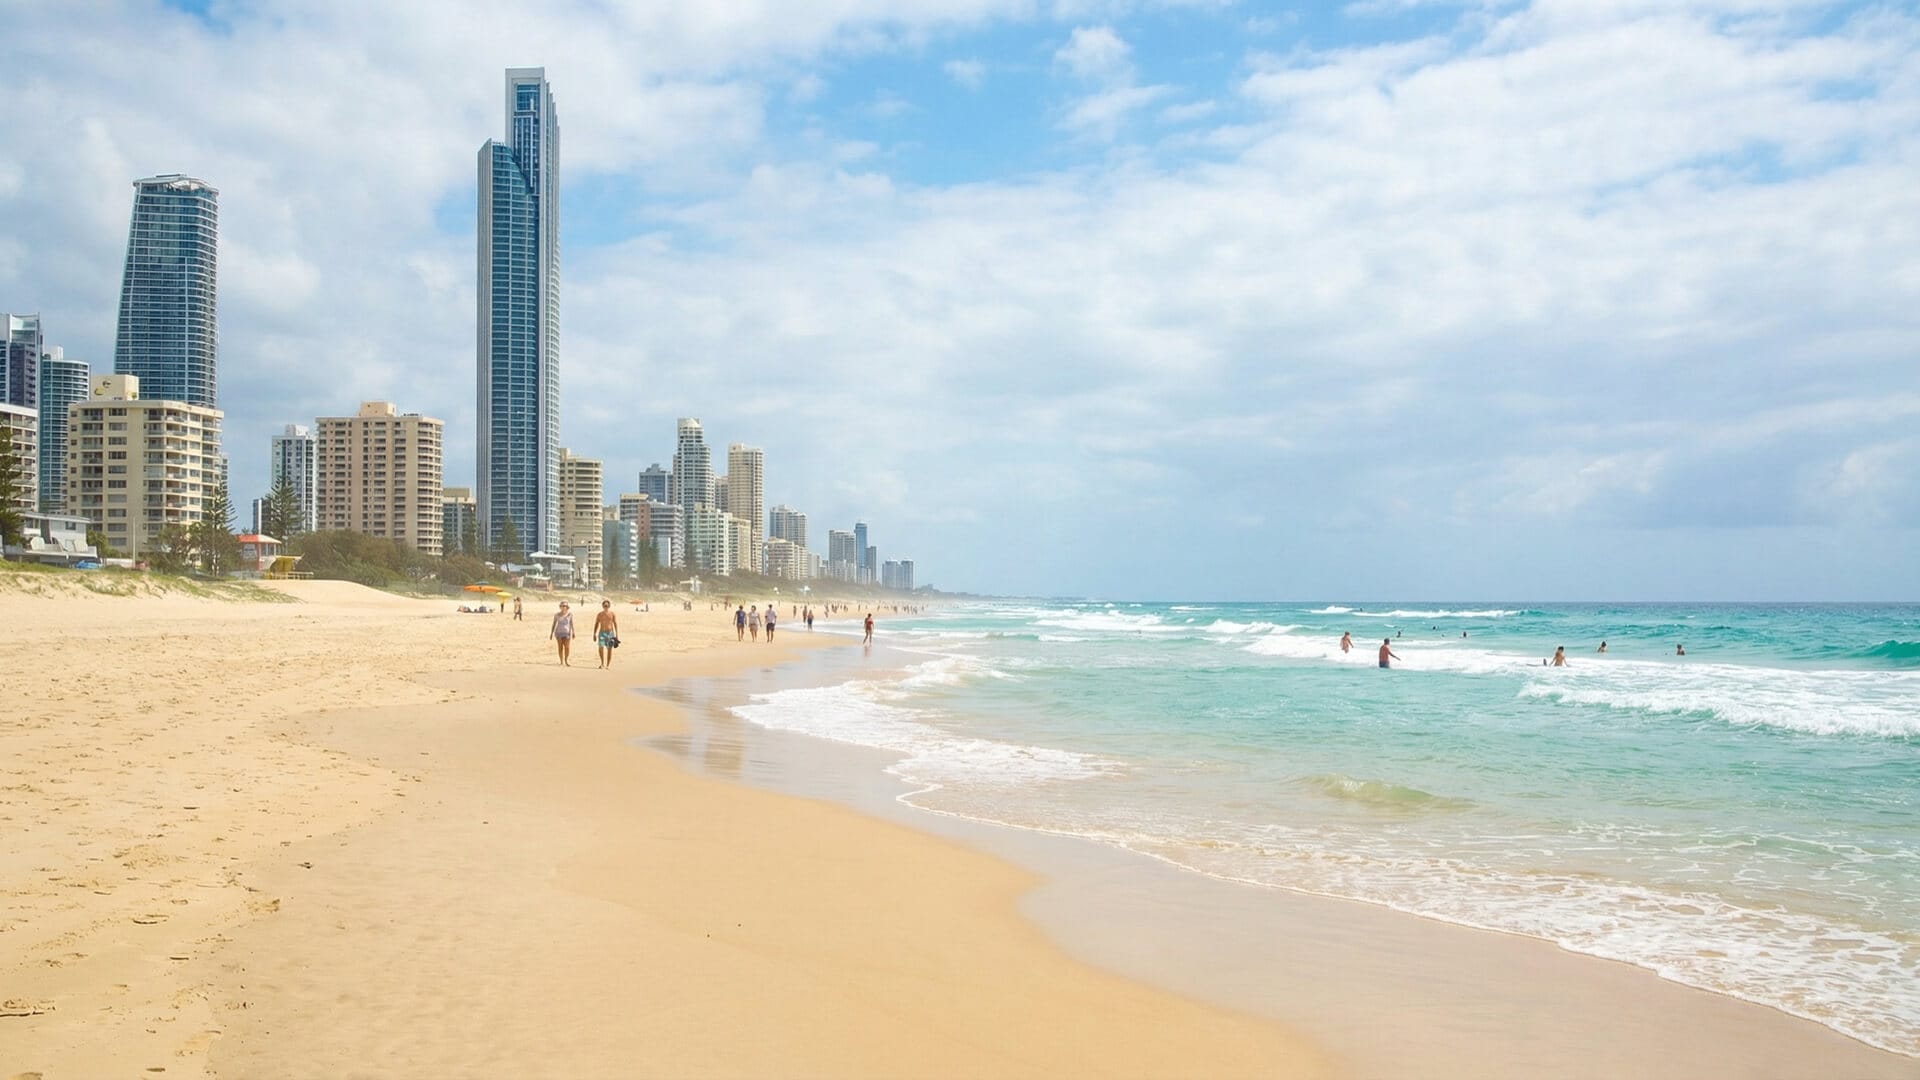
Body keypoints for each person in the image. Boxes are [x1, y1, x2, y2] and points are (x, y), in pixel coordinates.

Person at [594, 600, 619, 670]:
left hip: (610, 633)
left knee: (609, 649)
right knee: (600, 647)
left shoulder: (612, 614)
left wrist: (616, 634)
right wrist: (594, 633)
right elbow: (596, 624)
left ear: (609, 606)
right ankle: (602, 663)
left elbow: (615, 623)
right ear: (602, 606)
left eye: (607, 606)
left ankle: (608, 665)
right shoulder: (599, 614)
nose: (606, 607)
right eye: (605, 606)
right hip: (602, 633)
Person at [550, 602, 574, 666]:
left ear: (567, 607)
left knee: (567, 648)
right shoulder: (557, 615)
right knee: (560, 647)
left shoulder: (570, 614)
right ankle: (561, 661)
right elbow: (554, 623)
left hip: (567, 633)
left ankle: (566, 660)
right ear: (560, 607)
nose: (563, 607)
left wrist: (573, 632)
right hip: (558, 633)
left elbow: (571, 623)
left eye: (565, 606)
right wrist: (551, 633)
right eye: (562, 606)